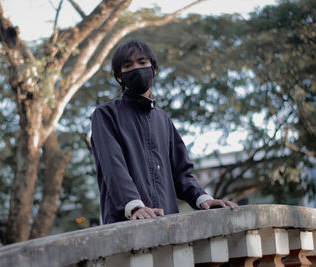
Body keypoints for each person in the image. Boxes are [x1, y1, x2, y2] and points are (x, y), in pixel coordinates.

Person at [91, 39, 237, 224]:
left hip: (168, 223)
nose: (136, 68)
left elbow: (182, 172)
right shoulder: (106, 115)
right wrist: (134, 206)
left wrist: (204, 199)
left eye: (142, 63)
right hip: (125, 224)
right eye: (128, 65)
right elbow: (113, 165)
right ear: (119, 76)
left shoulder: (163, 120)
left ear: (154, 69)